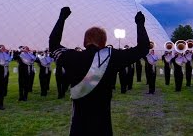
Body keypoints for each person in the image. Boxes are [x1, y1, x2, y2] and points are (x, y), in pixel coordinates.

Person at [49, 7, 150, 135]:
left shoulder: (71, 57)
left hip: (79, 124)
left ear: (84, 42)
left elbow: (53, 44)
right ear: (104, 42)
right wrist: (140, 24)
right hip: (102, 123)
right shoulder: (112, 57)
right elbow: (143, 48)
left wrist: (62, 18)